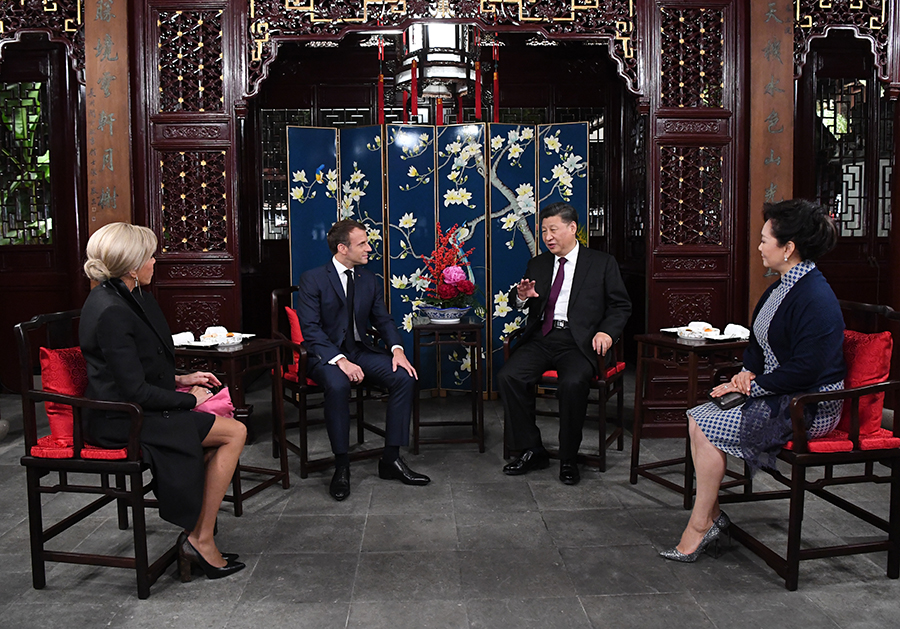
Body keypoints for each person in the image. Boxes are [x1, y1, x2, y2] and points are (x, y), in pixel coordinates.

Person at [660, 199, 845, 563]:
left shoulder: (816, 297)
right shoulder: (780, 287)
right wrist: (745, 372)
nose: (759, 247)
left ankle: (699, 526)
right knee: (697, 417)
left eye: (764, 240)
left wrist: (752, 386)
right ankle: (711, 517)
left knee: (707, 427)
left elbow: (807, 370)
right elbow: (758, 345)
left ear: (788, 247)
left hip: (809, 402)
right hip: (778, 388)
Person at [79, 222, 247, 581]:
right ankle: (200, 539)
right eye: (149, 256)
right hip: (121, 419)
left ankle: (197, 531)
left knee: (220, 435)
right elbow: (133, 391)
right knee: (234, 433)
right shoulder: (111, 309)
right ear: (131, 267)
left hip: (134, 407)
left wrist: (181, 380)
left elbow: (130, 371)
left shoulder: (123, 295)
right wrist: (188, 400)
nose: (155, 261)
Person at [498, 202, 631, 485]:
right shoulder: (538, 263)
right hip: (542, 338)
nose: (548, 237)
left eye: (553, 230)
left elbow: (620, 306)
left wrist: (607, 332)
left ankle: (569, 457)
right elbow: (518, 300)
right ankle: (532, 450)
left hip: (579, 342)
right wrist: (521, 297)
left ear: (572, 228)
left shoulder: (601, 263)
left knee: (572, 384)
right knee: (509, 376)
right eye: (544, 231)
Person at [296, 219, 427, 501]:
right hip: (324, 356)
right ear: (342, 248)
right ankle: (341, 465)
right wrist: (340, 360)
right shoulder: (312, 278)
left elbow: (383, 319)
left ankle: (391, 459)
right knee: (338, 385)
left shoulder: (368, 279)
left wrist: (397, 350)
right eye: (363, 243)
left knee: (404, 377)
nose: (369, 248)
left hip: (360, 351)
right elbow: (311, 330)